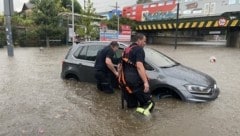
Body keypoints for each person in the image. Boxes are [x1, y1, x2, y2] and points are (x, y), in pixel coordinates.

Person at [118, 33, 154, 116]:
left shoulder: (126, 50)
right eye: (144, 41)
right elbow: (139, 65)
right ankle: (142, 125)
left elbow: (119, 67)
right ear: (139, 40)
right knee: (149, 104)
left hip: (125, 83)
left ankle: (132, 124)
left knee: (132, 106)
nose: (145, 43)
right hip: (136, 82)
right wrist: (145, 82)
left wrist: (120, 80)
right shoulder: (139, 49)